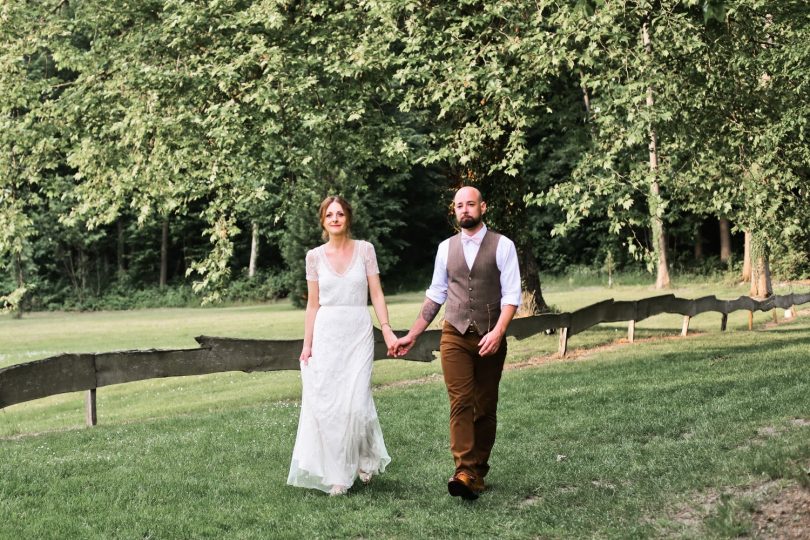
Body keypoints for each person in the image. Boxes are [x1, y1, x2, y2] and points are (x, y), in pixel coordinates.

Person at [390, 186, 521, 500]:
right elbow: (436, 294)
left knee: (485, 406)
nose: (465, 210)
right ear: (455, 210)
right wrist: (412, 333)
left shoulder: (503, 245)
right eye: (459, 205)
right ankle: (463, 470)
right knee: (461, 401)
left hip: (490, 335)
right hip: (455, 334)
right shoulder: (445, 248)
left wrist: (498, 331)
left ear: (483, 207)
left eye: (470, 204)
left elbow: (512, 295)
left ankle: (477, 471)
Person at [287, 195, 397, 496]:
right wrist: (307, 346)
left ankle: (364, 456)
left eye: (340, 214)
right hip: (327, 335)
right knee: (333, 408)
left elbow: (376, 293)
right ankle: (339, 474)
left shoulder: (365, 250)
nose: (335, 218)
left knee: (358, 403)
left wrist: (386, 329)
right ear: (323, 221)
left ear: (348, 217)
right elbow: (312, 305)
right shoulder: (314, 257)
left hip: (358, 332)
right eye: (329, 215)